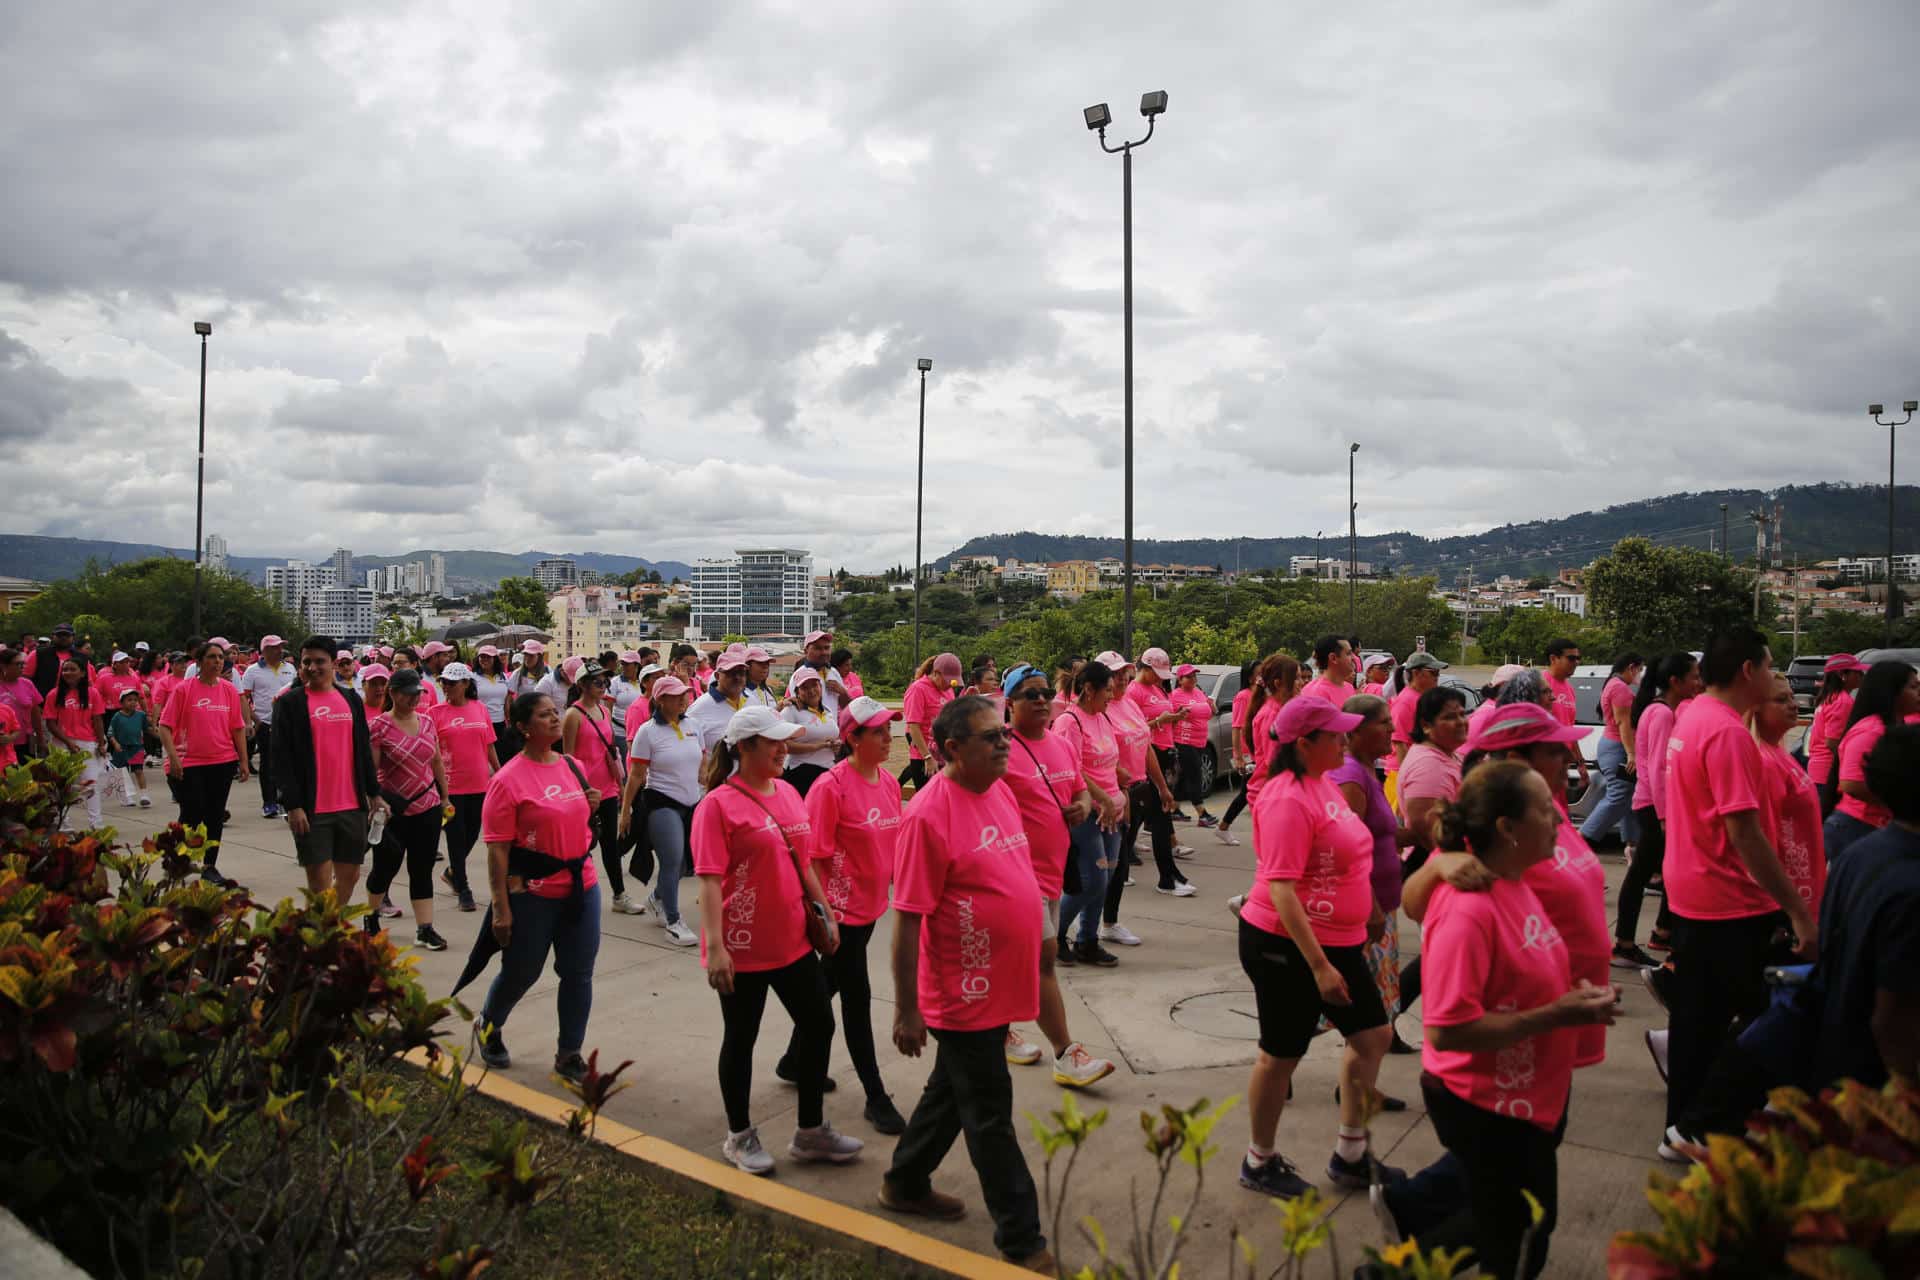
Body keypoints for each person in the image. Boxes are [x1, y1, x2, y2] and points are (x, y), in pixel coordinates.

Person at [1411, 761, 1618, 1280]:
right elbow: (1447, 1029)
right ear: (1506, 828)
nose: (1557, 821)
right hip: (1486, 1103)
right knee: (1523, 1231)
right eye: (1545, 811)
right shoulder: (1469, 908)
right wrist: (1556, 1014)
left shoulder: (1515, 880)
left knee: (1499, 1224)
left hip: (1525, 1096)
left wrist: (1573, 998)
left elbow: (1520, 975)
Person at [880, 695, 1053, 1274]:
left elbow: (1011, 873)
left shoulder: (997, 788)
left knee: (951, 1095)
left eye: (1003, 732)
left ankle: (903, 1182)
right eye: (990, 737)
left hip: (999, 981)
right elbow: (905, 919)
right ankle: (1022, 1240)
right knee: (988, 1112)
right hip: (963, 989)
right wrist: (907, 1009)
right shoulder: (928, 814)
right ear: (953, 749)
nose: (1004, 742)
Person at [1661, 627, 1816, 1159]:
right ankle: (1702, 1123)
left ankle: (1683, 1126)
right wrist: (1797, 910)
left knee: (1697, 1023)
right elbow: (1744, 833)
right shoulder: (1726, 732)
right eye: (1771, 667)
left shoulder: (1694, 716)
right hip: (1728, 898)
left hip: (1694, 889)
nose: (1777, 678)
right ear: (1748, 670)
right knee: (1773, 1017)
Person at [1236, 695, 1398, 1200]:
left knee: (1372, 1036)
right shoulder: (1287, 797)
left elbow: (1351, 854)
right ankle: (1259, 1159)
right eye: (1335, 734)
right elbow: (1282, 888)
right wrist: (1321, 966)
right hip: (1287, 945)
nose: (1345, 740)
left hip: (1337, 940)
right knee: (1280, 1057)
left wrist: (1368, 907)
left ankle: (1350, 1153)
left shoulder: (1323, 783)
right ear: (1305, 743)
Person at [692, 705, 860, 1175]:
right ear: (744, 748)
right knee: (741, 1038)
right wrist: (717, 947)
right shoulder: (717, 806)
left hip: (791, 939)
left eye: (785, 740)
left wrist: (825, 915)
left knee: (819, 1024)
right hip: (742, 944)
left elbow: (803, 862)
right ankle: (739, 1134)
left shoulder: (787, 792)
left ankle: (810, 1131)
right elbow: (708, 880)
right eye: (774, 742)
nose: (784, 748)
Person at [790, 695, 908, 1134]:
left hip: (871, 905)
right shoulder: (829, 787)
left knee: (828, 984)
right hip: (841, 912)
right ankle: (875, 1096)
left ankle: (792, 1058)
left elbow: (892, 845)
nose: (887, 737)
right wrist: (824, 915)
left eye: (887, 729)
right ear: (852, 738)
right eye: (877, 731)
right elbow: (814, 858)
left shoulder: (889, 782)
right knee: (856, 999)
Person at [997, 665, 1116, 1087]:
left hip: (1050, 873)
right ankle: (1066, 1054)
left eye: (1046, 692)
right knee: (1044, 960)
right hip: (1014, 877)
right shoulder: (1000, 751)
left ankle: (998, 1030)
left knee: (1018, 961)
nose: (1043, 700)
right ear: (1008, 703)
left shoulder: (1060, 745)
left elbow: (1078, 789)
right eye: (1031, 694)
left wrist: (1084, 805)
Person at [476, 692, 603, 1084]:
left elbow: (574, 819)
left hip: (581, 887)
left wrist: (590, 805)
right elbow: (497, 852)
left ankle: (569, 1054)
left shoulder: (571, 764)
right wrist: (501, 908)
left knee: (578, 973)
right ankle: (489, 1025)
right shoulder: (507, 781)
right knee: (521, 971)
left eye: (554, 713)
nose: (554, 719)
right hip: (533, 894)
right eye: (544, 715)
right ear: (522, 727)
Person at [1802, 725, 1920, 1091]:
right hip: (1878, 1087)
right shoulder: (1910, 886)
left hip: (1837, 1057)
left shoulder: (1858, 854)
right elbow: (1893, 1017)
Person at [1331, 694, 1421, 1061]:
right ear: (1357, 730)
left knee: (1373, 1000)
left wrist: (1419, 834)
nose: (1392, 729)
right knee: (1357, 1005)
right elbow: (1347, 849)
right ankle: (1279, 1059)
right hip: (1364, 910)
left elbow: (1378, 834)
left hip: (1380, 903)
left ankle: (1361, 1083)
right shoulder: (1350, 776)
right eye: (1384, 722)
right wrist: (1368, 903)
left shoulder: (1368, 771)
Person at [272, 637, 385, 903]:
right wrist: (293, 805)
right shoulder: (290, 703)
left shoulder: (351, 700)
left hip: (351, 806)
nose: (312, 667)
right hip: (313, 810)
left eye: (319, 661)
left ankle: (332, 931)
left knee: (350, 877)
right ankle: (321, 938)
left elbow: (362, 751)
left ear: (334, 663)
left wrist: (374, 794)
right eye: (306, 662)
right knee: (319, 884)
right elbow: (281, 758)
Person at [1614, 654, 1700, 967]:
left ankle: (1661, 933)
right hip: (1654, 805)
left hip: (1652, 804)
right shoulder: (1662, 713)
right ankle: (1625, 943)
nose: (1698, 682)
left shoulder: (1657, 709)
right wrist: (1665, 815)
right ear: (1675, 682)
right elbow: (1658, 768)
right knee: (1641, 875)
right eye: (1694, 676)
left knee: (1659, 873)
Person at [364, 668, 449, 951]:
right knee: (385, 867)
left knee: (421, 868)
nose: (415, 699)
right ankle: (371, 917)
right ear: (393, 693)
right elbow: (371, 772)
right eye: (409, 694)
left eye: (418, 694)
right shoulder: (379, 726)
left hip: (428, 805)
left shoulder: (426, 722)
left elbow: (436, 762)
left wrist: (445, 797)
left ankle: (425, 928)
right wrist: (374, 802)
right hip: (392, 809)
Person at [1051, 659, 1126, 967]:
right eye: (1107, 690)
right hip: (1087, 814)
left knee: (1104, 880)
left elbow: (1108, 763)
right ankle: (1055, 936)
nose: (1112, 695)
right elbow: (1072, 769)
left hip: (1112, 813)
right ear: (1088, 689)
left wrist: (1122, 794)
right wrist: (1102, 800)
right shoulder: (1070, 722)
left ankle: (1088, 941)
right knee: (1091, 880)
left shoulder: (1102, 717)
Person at [617, 674, 701, 945]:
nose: (684, 700)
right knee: (672, 860)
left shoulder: (693, 725)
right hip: (661, 801)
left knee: (683, 865)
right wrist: (626, 809)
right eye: (677, 696)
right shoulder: (647, 731)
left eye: (685, 695)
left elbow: (702, 765)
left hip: (692, 802)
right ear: (661, 700)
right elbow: (637, 775)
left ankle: (657, 897)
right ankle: (674, 922)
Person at [157, 641, 250, 886]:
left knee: (215, 815)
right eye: (212, 657)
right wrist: (173, 758)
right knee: (192, 812)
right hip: (190, 762)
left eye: (221, 658)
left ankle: (210, 865)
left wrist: (243, 760)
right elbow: (164, 727)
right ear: (199, 662)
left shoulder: (229, 690)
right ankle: (179, 861)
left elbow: (237, 728)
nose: (218, 661)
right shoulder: (184, 690)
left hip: (222, 761)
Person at [1111, 651, 1182, 934]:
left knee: (1117, 861)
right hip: (1114, 793)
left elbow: (1145, 742)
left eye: (1123, 675)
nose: (1120, 680)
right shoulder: (1122, 699)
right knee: (1101, 871)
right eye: (1115, 676)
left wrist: (1163, 787)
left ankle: (1108, 923)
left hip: (1141, 781)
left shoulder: (1131, 700)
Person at [559, 661, 637, 915]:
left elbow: (608, 751)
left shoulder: (604, 711)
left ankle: (619, 894)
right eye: (597, 682)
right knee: (583, 845)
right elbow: (567, 757)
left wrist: (619, 783)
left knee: (610, 846)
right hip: (583, 791)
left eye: (605, 682)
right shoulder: (573, 715)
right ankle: (576, 891)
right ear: (582, 685)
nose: (603, 686)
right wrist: (577, 789)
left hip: (607, 787)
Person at [1825, 659, 1920, 866]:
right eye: (1913, 687)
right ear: (1892, 692)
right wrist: (1900, 800)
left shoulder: (1899, 726)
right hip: (1857, 826)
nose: (1919, 692)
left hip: (1878, 825)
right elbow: (1850, 783)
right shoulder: (1872, 730)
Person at [1752, 672, 1826, 920]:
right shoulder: (1764, 762)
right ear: (1756, 709)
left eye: (1792, 697)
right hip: (1786, 898)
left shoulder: (1779, 753)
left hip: (1803, 886)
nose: (1793, 705)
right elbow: (1762, 840)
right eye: (1781, 700)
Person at [430, 662, 498, 913]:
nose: (446, 687)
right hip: (450, 788)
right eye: (443, 682)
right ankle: (464, 887)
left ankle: (452, 872)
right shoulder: (435, 713)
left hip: (480, 784)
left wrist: (500, 772)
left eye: (452, 682)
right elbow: (431, 753)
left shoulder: (480, 709)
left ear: (466, 684)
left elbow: (489, 744)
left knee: (472, 834)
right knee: (456, 839)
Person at [1579, 653, 1644, 849]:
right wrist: (1631, 753)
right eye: (1639, 669)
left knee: (1629, 794)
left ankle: (1632, 844)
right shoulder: (1619, 688)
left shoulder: (1614, 685)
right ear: (1631, 667)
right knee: (1619, 794)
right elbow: (1623, 723)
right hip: (1618, 748)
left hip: (1615, 746)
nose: (1639, 674)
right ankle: (1582, 837)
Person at [43, 658, 110, 828]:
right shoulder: (54, 694)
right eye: (65, 670)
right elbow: (50, 723)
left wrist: (101, 744)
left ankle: (96, 822)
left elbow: (98, 720)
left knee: (90, 783)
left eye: (73, 669)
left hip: (87, 744)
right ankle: (63, 823)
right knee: (63, 785)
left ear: (82, 673)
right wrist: (68, 742)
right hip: (61, 745)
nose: (68, 673)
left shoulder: (92, 693)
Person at [237, 635, 296, 818]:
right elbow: (244, 698)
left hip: (288, 724)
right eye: (274, 648)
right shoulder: (252, 671)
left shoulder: (290, 668)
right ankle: (269, 802)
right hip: (266, 723)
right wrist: (255, 720)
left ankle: (286, 801)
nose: (279, 651)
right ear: (264, 651)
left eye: (280, 647)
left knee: (288, 764)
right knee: (268, 764)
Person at [1806, 654, 1866, 816]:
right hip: (1829, 772)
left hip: (1818, 769)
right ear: (1842, 675)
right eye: (1857, 672)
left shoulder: (1829, 698)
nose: (1861, 676)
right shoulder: (1843, 702)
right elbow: (1832, 741)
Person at [1387, 653, 1447, 813]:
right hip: (1401, 774)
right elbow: (1400, 743)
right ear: (1416, 673)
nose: (1437, 677)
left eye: (1438, 673)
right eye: (1433, 672)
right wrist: (1407, 781)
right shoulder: (1405, 701)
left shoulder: (1419, 698)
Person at [899, 653, 962, 794]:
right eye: (947, 680)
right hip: (925, 758)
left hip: (943, 756)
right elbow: (913, 726)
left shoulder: (948, 691)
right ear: (936, 673)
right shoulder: (918, 689)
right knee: (928, 802)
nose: (949, 685)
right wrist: (927, 757)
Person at [1213, 659, 1258, 847]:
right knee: (1247, 792)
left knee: (1248, 792)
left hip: (1261, 751)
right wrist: (1238, 756)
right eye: (1259, 672)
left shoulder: (1262, 696)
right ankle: (1223, 827)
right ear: (1250, 676)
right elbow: (1237, 726)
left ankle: (1223, 827)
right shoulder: (1243, 696)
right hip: (1249, 753)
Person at [1170, 663, 1218, 827]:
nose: (1192, 679)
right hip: (1184, 741)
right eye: (1188, 677)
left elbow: (1209, 712)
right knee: (1195, 775)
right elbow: (1186, 712)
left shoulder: (1198, 692)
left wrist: (1205, 707)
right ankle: (1202, 813)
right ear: (1180, 679)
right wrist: (1200, 708)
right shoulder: (1176, 695)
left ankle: (1174, 809)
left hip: (1200, 741)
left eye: (1194, 676)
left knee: (1184, 776)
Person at [779, 669, 840, 795]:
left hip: (828, 770)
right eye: (805, 687)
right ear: (797, 692)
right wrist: (818, 746)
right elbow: (783, 745)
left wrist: (835, 746)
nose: (811, 690)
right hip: (801, 772)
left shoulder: (827, 711)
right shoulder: (791, 711)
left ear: (820, 687)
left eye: (814, 685)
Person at [685, 648, 749, 756]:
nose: (737, 677)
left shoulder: (752, 701)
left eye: (741, 673)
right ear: (717, 676)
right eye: (731, 673)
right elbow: (687, 749)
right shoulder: (699, 708)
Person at [105, 687, 151, 807]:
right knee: (122, 774)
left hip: (137, 747)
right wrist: (115, 744)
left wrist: (159, 734)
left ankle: (144, 795)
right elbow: (111, 733)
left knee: (138, 771)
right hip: (122, 749)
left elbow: (148, 729)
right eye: (129, 700)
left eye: (135, 700)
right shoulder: (117, 717)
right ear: (121, 702)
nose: (133, 702)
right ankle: (127, 797)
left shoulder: (141, 715)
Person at [0, 649, 45, 760]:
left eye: (23, 663)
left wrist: (40, 739)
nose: (22, 666)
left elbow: (35, 714)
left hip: (25, 741)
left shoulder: (27, 683)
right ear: (3, 666)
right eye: (18, 664)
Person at [472, 645, 514, 744]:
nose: (484, 659)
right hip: (481, 723)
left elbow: (507, 699)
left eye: (488, 657)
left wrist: (509, 720)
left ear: (495, 659)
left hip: (500, 723)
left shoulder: (503, 676)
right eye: (482, 657)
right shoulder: (472, 677)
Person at [1303, 635, 1357, 707]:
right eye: (1348, 653)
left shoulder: (1349, 687)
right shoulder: (1317, 692)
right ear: (1333, 658)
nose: (1354, 658)